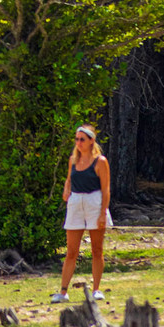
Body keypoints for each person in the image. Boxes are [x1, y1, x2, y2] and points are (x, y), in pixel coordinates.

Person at [57, 123, 111, 298]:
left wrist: (103, 213)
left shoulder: (100, 161)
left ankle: (96, 289)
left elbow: (106, 189)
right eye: (77, 139)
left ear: (91, 141)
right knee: (71, 251)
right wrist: (66, 189)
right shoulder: (73, 160)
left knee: (96, 249)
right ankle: (63, 291)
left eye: (82, 139)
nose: (78, 142)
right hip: (75, 202)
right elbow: (69, 179)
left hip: (94, 202)